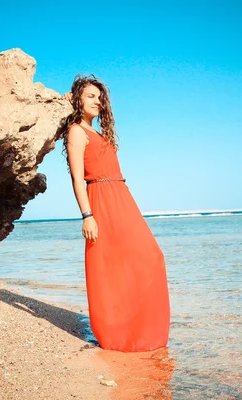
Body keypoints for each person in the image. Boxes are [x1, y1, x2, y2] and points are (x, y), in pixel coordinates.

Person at [61, 74, 170, 352]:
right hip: (100, 200)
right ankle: (117, 332)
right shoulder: (77, 131)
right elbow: (76, 178)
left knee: (149, 257)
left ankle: (138, 330)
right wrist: (87, 215)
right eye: (89, 96)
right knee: (109, 265)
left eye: (99, 97)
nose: (97, 101)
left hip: (121, 197)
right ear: (77, 99)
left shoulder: (98, 132)